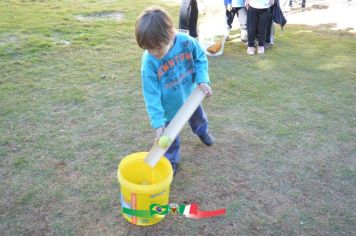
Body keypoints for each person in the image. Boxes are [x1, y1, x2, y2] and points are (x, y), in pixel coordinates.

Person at [135, 7, 214, 176]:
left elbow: (200, 58)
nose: (153, 53)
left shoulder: (186, 41)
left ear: (170, 35)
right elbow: (151, 94)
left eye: (157, 48)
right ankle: (172, 161)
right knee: (169, 140)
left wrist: (202, 80)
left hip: (190, 98)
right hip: (168, 109)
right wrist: (158, 122)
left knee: (199, 119)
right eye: (148, 49)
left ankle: (202, 132)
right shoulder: (149, 61)